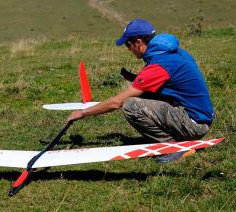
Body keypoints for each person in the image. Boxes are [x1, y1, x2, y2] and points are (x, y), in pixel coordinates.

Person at [67, 19, 214, 163]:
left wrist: (82, 113)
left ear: (138, 42)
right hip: (200, 117)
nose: (127, 49)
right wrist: (134, 78)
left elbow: (117, 102)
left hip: (195, 124)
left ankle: (173, 148)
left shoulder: (159, 65)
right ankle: (177, 141)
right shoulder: (173, 53)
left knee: (131, 106)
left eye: (128, 44)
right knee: (143, 96)